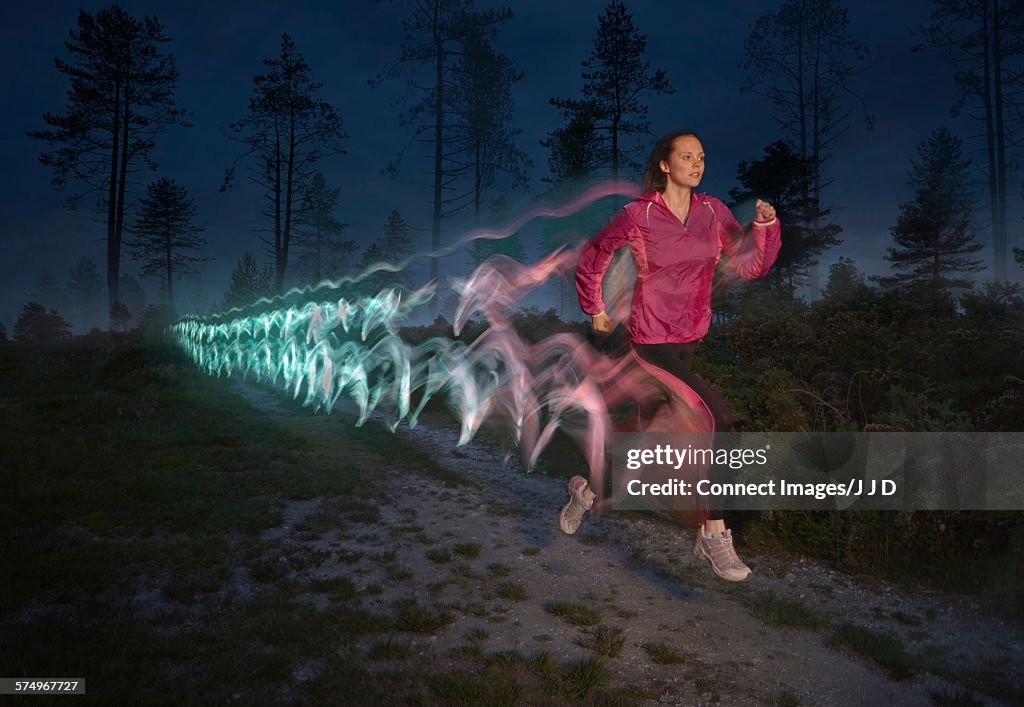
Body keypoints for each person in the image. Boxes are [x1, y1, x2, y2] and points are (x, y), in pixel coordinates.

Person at [561, 130, 781, 582]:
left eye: (701, 156)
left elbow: (748, 265)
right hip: (649, 342)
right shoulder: (638, 214)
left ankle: (585, 489)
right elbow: (595, 254)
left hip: (688, 342)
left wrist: (766, 228)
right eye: (686, 156)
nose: (697, 163)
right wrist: (595, 307)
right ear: (665, 164)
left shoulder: (712, 212)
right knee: (716, 420)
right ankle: (714, 533)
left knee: (645, 441)